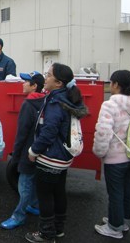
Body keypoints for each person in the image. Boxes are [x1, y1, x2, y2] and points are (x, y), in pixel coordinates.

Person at [26, 63, 88, 243]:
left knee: (45, 195)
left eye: (49, 75)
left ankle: (46, 234)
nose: (45, 78)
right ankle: (58, 229)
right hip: (63, 157)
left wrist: (33, 151)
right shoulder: (67, 98)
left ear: (59, 83)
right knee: (59, 192)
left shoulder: (55, 102)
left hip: (50, 157)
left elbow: (48, 132)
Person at [92, 70, 130, 239]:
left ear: (116, 85)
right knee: (127, 189)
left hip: (115, 158)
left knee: (115, 192)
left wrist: (99, 152)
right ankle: (121, 220)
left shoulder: (110, 105)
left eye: (111, 83)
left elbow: (103, 132)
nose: (109, 86)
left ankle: (114, 227)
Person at [1, 71, 46, 230]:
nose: (22, 84)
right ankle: (34, 205)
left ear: (34, 86)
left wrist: (16, 153)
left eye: (26, 82)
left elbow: (22, 132)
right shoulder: (45, 101)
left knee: (24, 185)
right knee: (32, 180)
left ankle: (18, 216)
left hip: (28, 151)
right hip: (40, 150)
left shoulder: (28, 104)